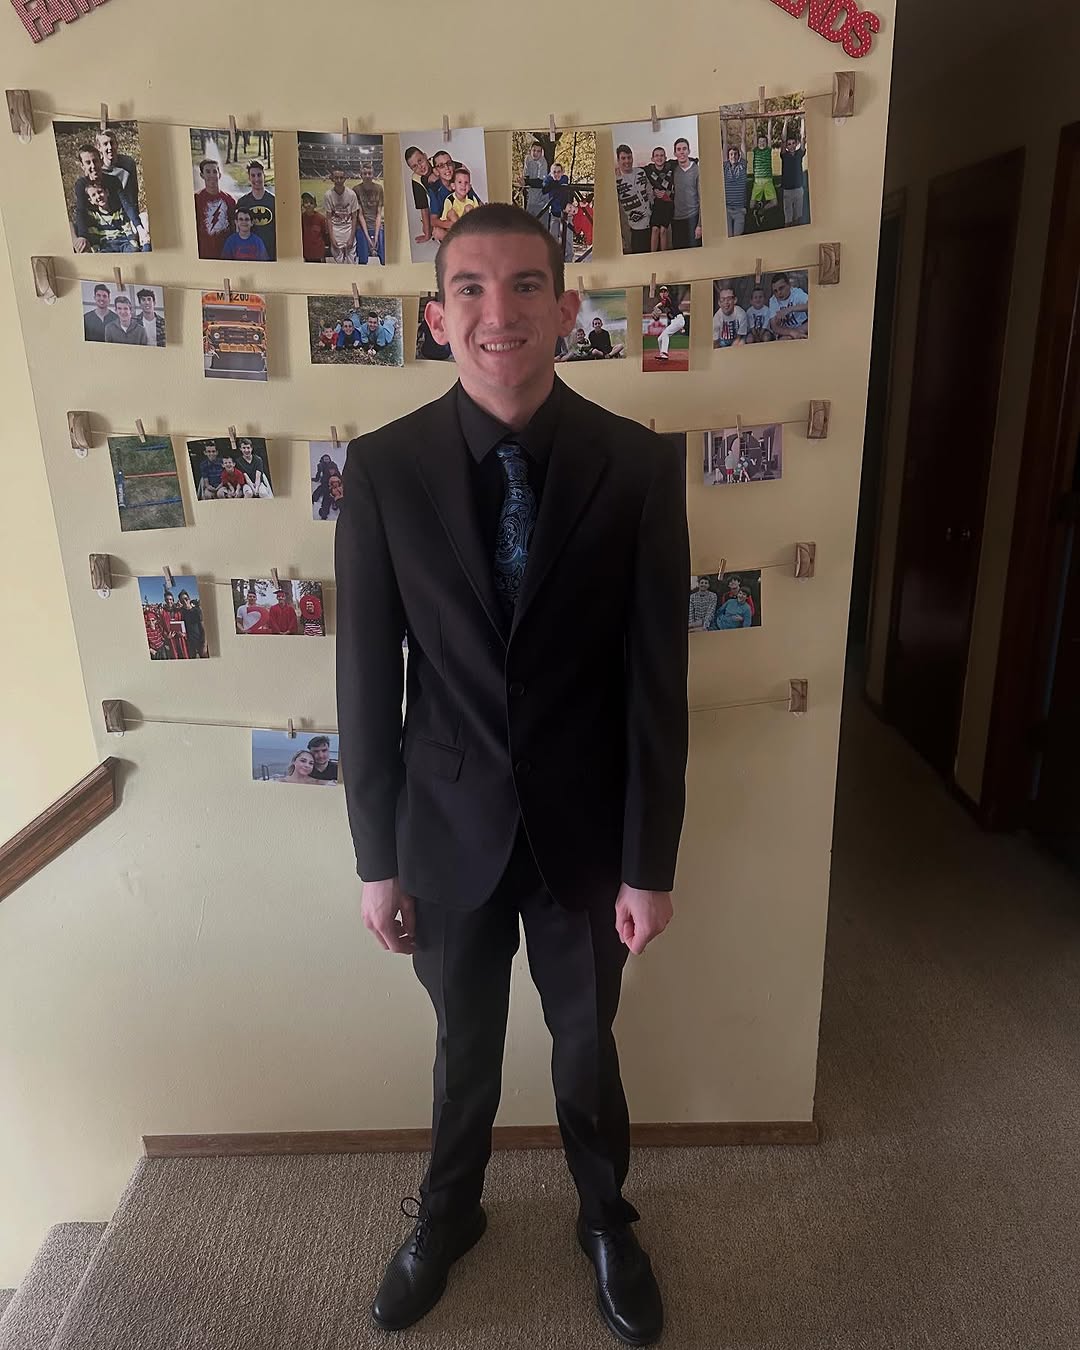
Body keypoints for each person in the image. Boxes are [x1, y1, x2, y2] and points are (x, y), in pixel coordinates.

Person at [335, 202, 687, 1345]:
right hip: (445, 829)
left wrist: (649, 864)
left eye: (527, 284)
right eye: (472, 289)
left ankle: (607, 1221)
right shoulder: (383, 470)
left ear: (567, 307)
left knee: (587, 1051)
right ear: (439, 317)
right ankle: (448, 1215)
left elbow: (656, 684)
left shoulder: (638, 464)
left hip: (587, 831)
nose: (501, 311)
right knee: (464, 1053)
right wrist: (377, 861)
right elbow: (366, 681)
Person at [73, 144, 146, 252]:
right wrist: (83, 236)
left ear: (101, 161)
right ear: (82, 166)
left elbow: (126, 204)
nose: (93, 166)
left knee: (144, 219)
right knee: (71, 228)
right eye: (88, 163)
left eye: (95, 161)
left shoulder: (113, 180)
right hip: (96, 227)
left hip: (117, 224)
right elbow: (81, 210)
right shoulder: (81, 184)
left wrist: (139, 227)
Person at [81, 179, 139, 253]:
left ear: (107, 192)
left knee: (133, 251)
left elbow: (127, 229)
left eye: (100, 192)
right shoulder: (94, 216)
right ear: (91, 201)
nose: (98, 196)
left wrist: (133, 243)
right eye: (93, 195)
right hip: (106, 245)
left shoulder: (119, 212)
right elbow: (94, 236)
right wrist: (96, 250)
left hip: (123, 242)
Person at [194, 159, 236, 260]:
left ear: (219, 174)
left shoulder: (230, 200)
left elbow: (234, 227)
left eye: (214, 171)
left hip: (225, 254)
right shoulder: (196, 199)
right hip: (204, 254)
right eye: (208, 172)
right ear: (202, 175)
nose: (212, 175)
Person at [96, 128, 140, 221]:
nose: (110, 147)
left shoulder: (128, 164)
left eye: (112, 143)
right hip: (109, 215)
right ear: (99, 148)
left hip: (128, 212)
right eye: (105, 144)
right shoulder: (97, 169)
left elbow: (133, 193)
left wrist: (135, 219)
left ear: (117, 144)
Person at [614, 143, 651, 254]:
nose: (627, 161)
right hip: (635, 229)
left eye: (629, 157)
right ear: (618, 160)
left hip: (652, 223)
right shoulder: (616, 180)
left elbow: (649, 192)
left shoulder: (641, 172)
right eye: (623, 158)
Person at [235, 159, 276, 259]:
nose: (256, 179)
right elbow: (238, 230)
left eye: (259, 175)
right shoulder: (242, 202)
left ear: (264, 176)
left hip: (270, 252)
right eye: (253, 176)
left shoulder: (274, 201)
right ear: (249, 178)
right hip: (249, 252)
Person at [324, 166, 364, 265]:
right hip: (336, 231)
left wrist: (351, 237)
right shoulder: (328, 195)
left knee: (351, 262)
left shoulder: (351, 194)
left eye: (341, 178)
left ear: (345, 178)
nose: (339, 180)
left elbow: (354, 217)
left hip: (348, 230)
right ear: (332, 178)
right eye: (336, 178)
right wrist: (332, 238)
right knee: (339, 263)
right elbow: (328, 218)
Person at [404, 146, 440, 244]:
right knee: (427, 229)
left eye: (420, 161)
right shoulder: (416, 179)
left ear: (425, 156)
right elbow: (424, 208)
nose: (420, 167)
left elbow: (462, 168)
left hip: (454, 199)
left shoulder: (437, 161)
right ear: (411, 169)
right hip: (439, 206)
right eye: (414, 166)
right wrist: (427, 235)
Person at [670, 137, 701, 248]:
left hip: (693, 217)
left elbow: (702, 199)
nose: (682, 152)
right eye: (678, 149)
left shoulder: (697, 170)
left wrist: (700, 225)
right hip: (677, 220)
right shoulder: (673, 170)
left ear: (689, 151)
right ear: (675, 153)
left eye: (684, 149)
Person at [643, 146, 674, 252]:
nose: (659, 158)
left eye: (661, 155)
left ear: (665, 158)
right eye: (656, 156)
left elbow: (688, 159)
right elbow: (635, 171)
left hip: (668, 202)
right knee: (655, 229)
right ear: (652, 158)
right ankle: (653, 255)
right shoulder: (648, 169)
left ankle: (663, 255)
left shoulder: (671, 166)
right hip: (656, 204)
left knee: (663, 230)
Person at [436, 166, 479, 239]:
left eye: (466, 182)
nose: (463, 185)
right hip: (453, 229)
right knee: (451, 213)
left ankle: (463, 237)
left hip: (467, 228)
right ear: (453, 186)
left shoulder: (472, 199)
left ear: (469, 187)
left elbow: (477, 217)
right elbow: (444, 220)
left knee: (469, 208)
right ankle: (459, 237)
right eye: (460, 182)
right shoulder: (449, 200)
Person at [542, 162, 573, 260]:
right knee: (553, 238)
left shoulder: (564, 178)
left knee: (567, 238)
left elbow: (562, 184)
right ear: (551, 173)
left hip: (566, 213)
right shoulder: (549, 180)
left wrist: (553, 183)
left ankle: (569, 260)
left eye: (559, 172)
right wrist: (552, 181)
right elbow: (544, 189)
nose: (556, 174)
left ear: (562, 172)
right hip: (554, 214)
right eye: (554, 172)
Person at [356, 161, 385, 264]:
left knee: (384, 258)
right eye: (365, 173)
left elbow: (378, 213)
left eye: (370, 173)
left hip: (376, 226)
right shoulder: (356, 190)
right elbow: (360, 215)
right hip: (362, 227)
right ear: (361, 175)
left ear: (373, 174)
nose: (367, 176)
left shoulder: (379, 189)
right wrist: (368, 238)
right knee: (363, 259)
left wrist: (376, 236)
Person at [768, 271, 810, 339]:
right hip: (787, 331)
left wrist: (789, 309)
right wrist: (792, 332)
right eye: (775, 291)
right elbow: (774, 327)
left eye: (781, 288)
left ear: (789, 285)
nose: (779, 293)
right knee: (785, 339)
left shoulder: (796, 293)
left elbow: (812, 305)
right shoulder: (773, 300)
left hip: (802, 325)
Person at [650, 285, 685, 361]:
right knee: (659, 339)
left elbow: (663, 302)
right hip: (677, 321)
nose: (663, 293)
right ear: (659, 294)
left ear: (667, 293)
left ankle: (664, 354)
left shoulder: (668, 299)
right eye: (661, 292)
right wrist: (681, 327)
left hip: (678, 320)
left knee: (666, 334)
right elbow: (673, 317)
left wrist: (656, 306)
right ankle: (662, 355)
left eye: (665, 291)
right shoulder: (668, 306)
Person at [749, 134, 778, 221]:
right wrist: (754, 125)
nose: (762, 143)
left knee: (774, 203)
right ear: (757, 143)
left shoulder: (768, 150)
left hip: (768, 181)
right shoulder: (756, 151)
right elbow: (754, 135)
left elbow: (770, 134)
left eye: (764, 141)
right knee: (751, 206)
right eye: (760, 142)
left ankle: (761, 211)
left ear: (767, 143)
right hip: (757, 182)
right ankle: (759, 205)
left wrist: (769, 124)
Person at [780, 135, 807, 226]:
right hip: (787, 190)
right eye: (789, 144)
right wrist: (785, 125)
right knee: (788, 219)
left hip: (798, 189)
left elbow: (803, 138)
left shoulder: (799, 154)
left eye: (793, 143)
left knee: (798, 217)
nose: (791, 146)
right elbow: (783, 139)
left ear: (796, 144)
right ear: (786, 146)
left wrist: (803, 124)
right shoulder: (784, 155)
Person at [518, 141, 549, 216]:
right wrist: (522, 180)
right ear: (530, 151)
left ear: (541, 153)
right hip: (531, 197)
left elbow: (541, 182)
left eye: (538, 151)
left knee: (540, 221)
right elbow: (526, 176)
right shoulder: (528, 159)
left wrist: (526, 181)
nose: (535, 153)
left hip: (542, 199)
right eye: (534, 150)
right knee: (528, 219)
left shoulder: (543, 162)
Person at [723, 145, 748, 237]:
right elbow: (724, 148)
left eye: (735, 154)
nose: (733, 156)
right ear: (728, 156)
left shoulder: (742, 166)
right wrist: (724, 136)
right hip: (727, 210)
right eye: (731, 154)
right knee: (729, 237)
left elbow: (744, 150)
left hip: (739, 210)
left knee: (737, 237)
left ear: (739, 156)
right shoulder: (725, 167)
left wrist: (743, 137)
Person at [301, 192, 331, 262]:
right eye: (306, 202)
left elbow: (325, 235)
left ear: (315, 205)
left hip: (319, 254)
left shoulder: (321, 219)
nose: (308, 205)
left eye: (311, 203)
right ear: (303, 205)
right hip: (306, 255)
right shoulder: (301, 218)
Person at [178, 590, 207, 658]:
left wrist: (205, 645)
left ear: (189, 599)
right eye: (182, 601)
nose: (185, 602)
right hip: (189, 644)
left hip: (200, 641)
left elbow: (204, 628)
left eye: (186, 599)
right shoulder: (181, 612)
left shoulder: (197, 611)